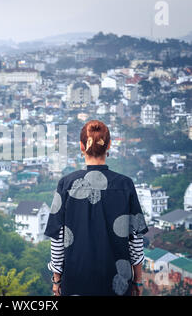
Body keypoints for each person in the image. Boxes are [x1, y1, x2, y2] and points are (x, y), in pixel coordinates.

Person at [44, 120, 148, 296]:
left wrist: (56, 280)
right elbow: (135, 240)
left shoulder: (66, 184)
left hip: (76, 279)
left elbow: (58, 239)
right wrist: (138, 280)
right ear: (109, 145)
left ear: (81, 146)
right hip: (117, 282)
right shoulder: (125, 185)